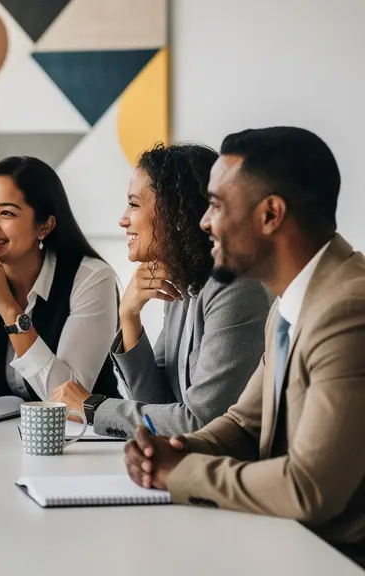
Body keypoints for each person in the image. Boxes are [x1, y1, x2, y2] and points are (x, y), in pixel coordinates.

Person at [124, 127, 365, 566]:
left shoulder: (347, 310)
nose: (202, 221)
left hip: (337, 558)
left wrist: (180, 472)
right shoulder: (291, 302)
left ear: (270, 214)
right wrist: (180, 448)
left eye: (215, 205)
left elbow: (308, 489)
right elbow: (244, 422)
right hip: (288, 543)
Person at [51, 144, 271, 437]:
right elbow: (158, 405)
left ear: (178, 215)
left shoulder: (236, 290)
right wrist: (129, 317)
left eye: (134, 204)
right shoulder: (184, 284)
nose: (123, 218)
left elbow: (200, 423)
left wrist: (93, 408)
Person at [0, 155, 120, 409]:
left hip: (85, 440)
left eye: (6, 213)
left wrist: (9, 310)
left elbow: (70, 401)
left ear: (44, 226)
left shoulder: (91, 279)